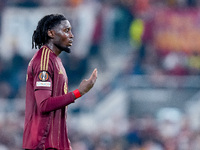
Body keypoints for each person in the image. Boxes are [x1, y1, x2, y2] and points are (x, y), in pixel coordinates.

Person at [22, 14, 98, 150]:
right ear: (51, 33)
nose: (71, 35)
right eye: (66, 30)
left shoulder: (56, 60)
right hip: (42, 144)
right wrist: (78, 92)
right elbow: (44, 104)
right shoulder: (43, 61)